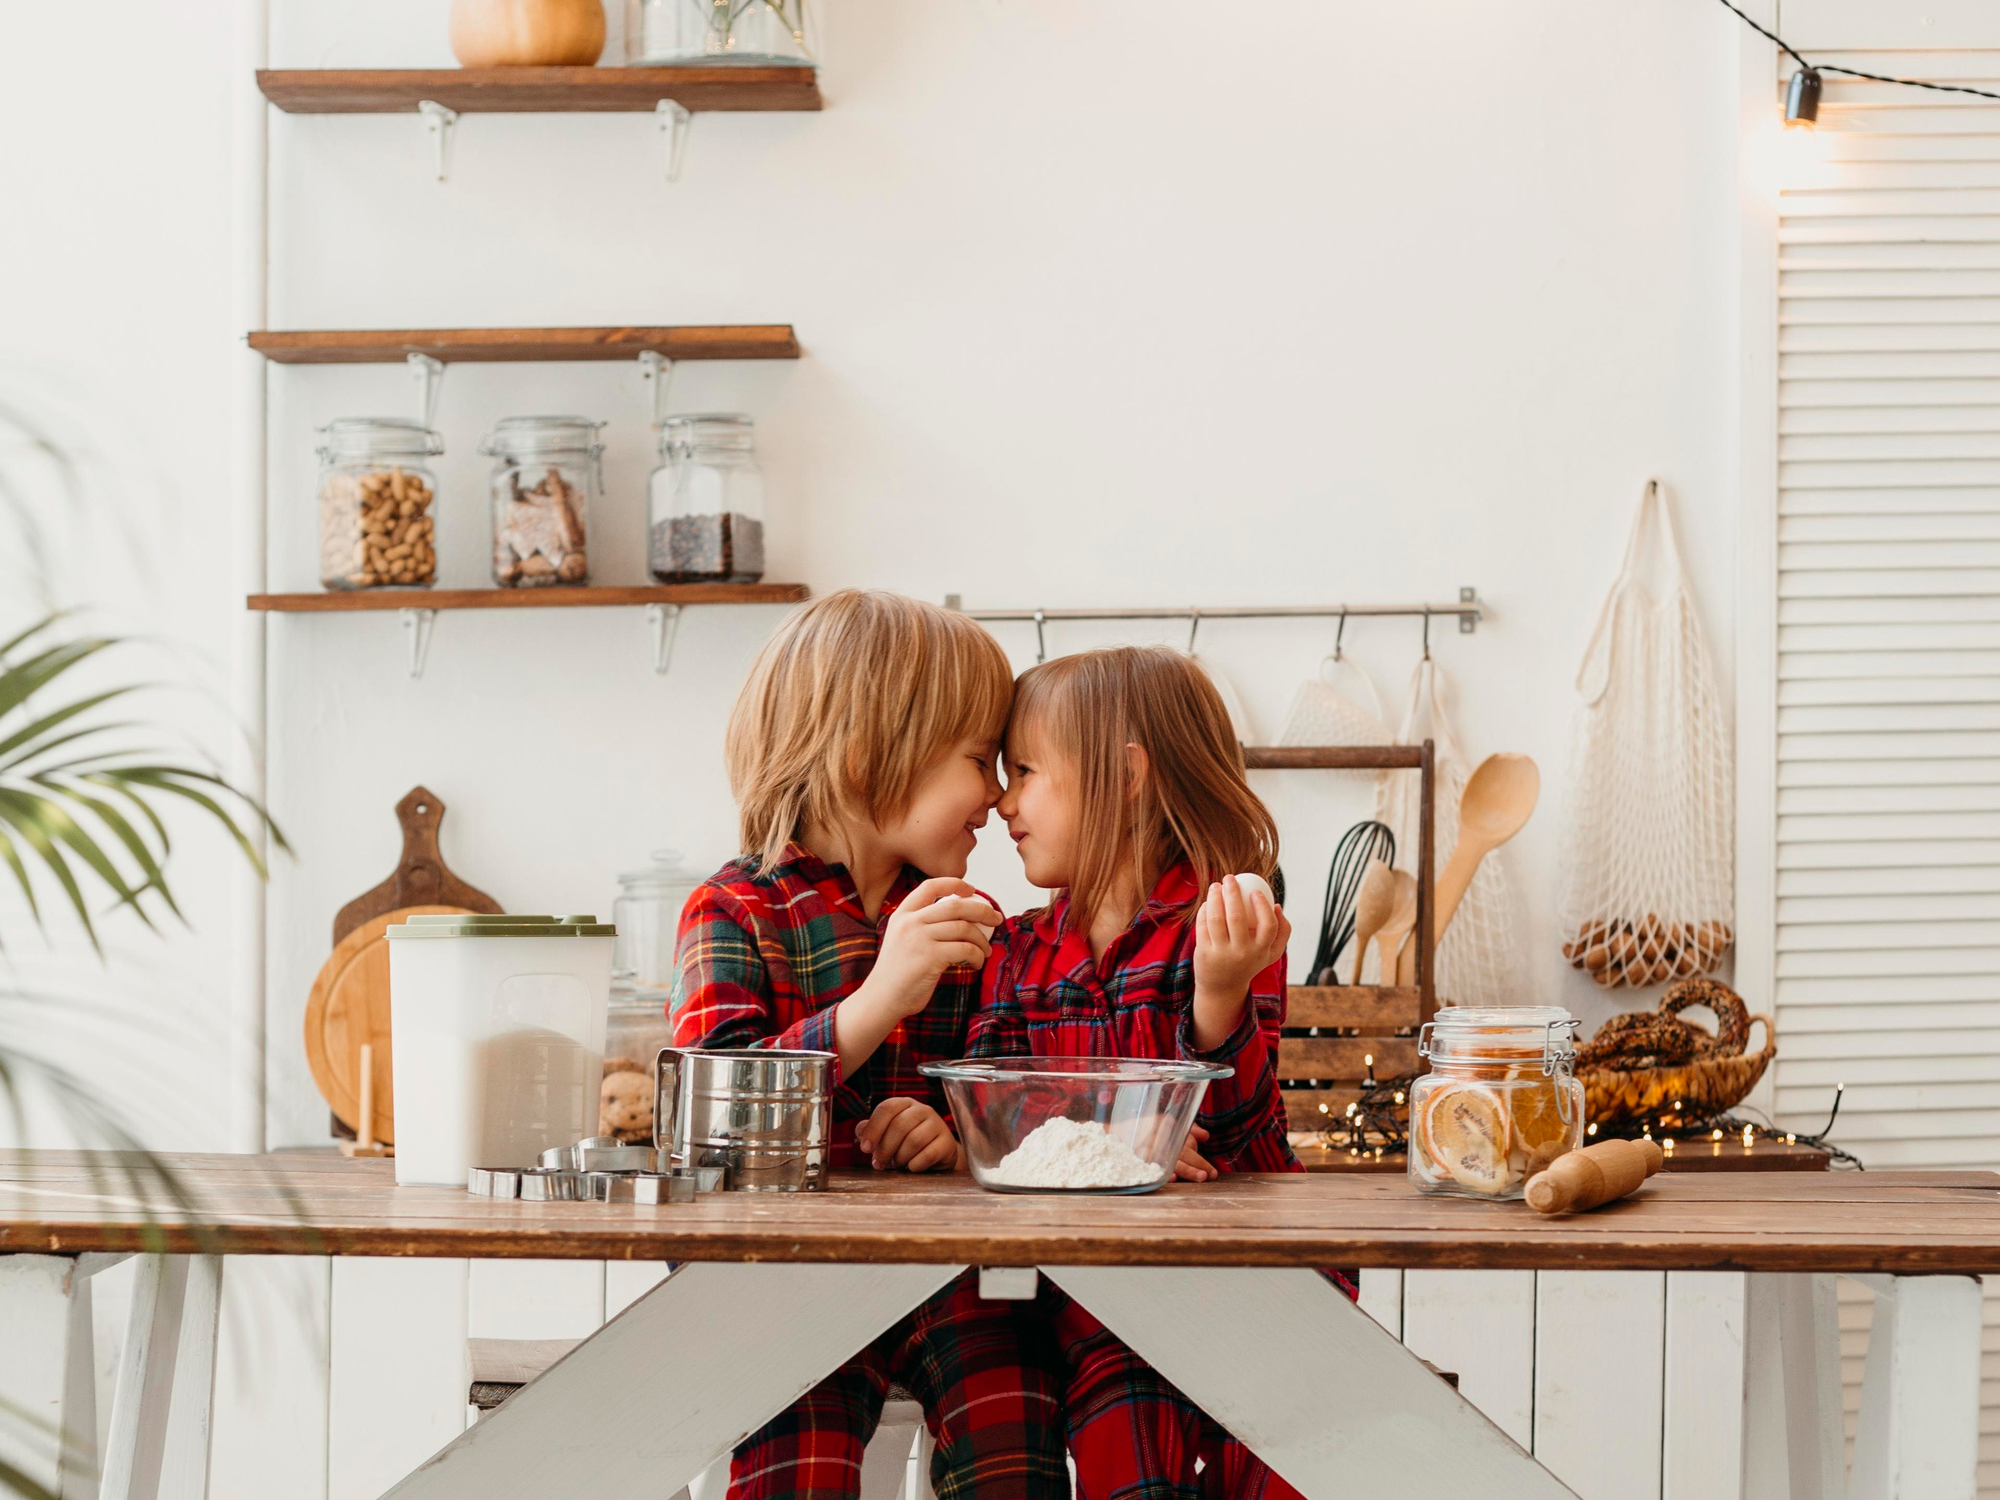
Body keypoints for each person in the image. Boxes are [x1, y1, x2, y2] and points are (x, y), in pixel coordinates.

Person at [672, 590, 1068, 1500]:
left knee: (1016, 1412)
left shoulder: (966, 925)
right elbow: (709, 1122)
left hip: (942, 1274)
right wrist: (878, 998)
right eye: (979, 760)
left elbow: (1005, 1086)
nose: (1000, 795)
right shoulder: (734, 910)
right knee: (789, 1458)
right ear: (866, 759)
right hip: (778, 1284)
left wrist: (946, 1126)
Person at [969, 644, 1354, 1500]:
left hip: (1262, 1284)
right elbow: (992, 1113)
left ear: (1125, 773)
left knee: (1298, 1444)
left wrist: (1218, 997)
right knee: (1126, 1450)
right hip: (1099, 1298)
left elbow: (1242, 1138)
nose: (1002, 801)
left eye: (1025, 771)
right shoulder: (1016, 950)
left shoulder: (1226, 929)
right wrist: (1108, 1137)